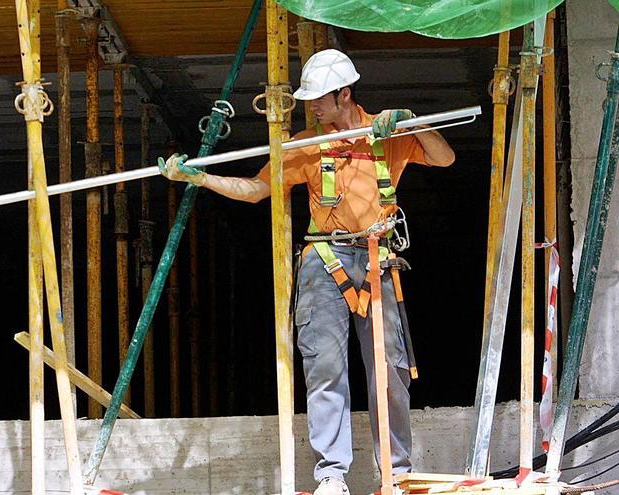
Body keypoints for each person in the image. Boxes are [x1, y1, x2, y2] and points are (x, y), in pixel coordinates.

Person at [158, 49, 455, 495]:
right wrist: (200, 179)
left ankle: (396, 473)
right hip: (325, 262)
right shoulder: (307, 145)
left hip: (378, 259)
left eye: (320, 98)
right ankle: (332, 475)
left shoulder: (386, 133)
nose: (312, 106)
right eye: (309, 99)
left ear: (345, 94)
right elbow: (258, 188)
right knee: (326, 367)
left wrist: (411, 121)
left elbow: (445, 157)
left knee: (388, 369)